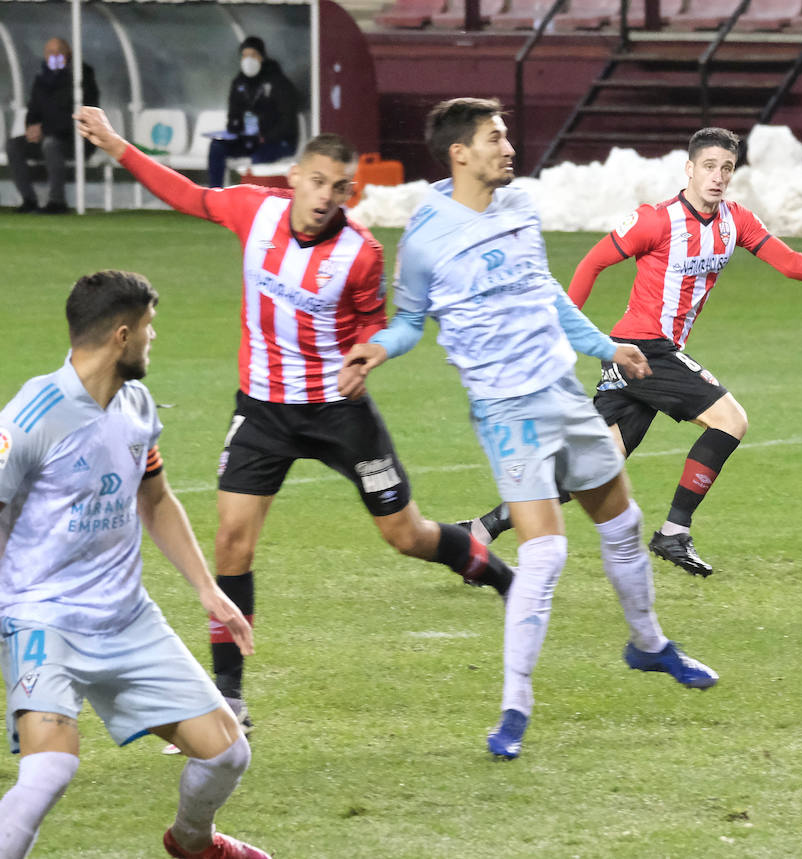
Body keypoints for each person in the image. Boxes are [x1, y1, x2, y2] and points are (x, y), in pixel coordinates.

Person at [74, 107, 512, 742]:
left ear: (349, 194)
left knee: (407, 534)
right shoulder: (254, 212)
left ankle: (497, 574)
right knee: (231, 542)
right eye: (317, 183)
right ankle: (230, 690)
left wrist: (367, 353)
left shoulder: (360, 252)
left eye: (340, 189)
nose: (326, 199)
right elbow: (187, 194)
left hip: (338, 412)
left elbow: (372, 320)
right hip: (264, 411)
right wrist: (117, 145)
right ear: (295, 178)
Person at [340, 97, 718, 760]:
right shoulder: (425, 235)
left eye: (506, 135)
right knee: (545, 552)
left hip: (563, 394)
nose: (508, 147)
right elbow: (409, 320)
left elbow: (546, 293)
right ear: (461, 153)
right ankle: (515, 706)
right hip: (506, 413)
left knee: (623, 526)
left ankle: (649, 644)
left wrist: (606, 346)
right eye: (495, 137)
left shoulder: (520, 208)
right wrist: (380, 347)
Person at [463, 126, 802, 578]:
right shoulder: (655, 220)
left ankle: (481, 528)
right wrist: (563, 325)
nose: (718, 177)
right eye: (709, 166)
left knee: (589, 470)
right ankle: (675, 530)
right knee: (731, 421)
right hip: (644, 349)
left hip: (641, 355)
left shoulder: (736, 221)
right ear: (689, 169)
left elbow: (788, 263)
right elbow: (593, 262)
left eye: (726, 168)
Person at [0, 270, 270, 859]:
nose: (155, 339)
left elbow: (155, 497)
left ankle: (194, 842)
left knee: (227, 752)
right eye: (150, 327)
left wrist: (207, 588)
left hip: (126, 620)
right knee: (48, 774)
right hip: (43, 620)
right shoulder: (30, 417)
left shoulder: (136, 403)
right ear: (122, 335)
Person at [5, 37, 98, 214]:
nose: (53, 57)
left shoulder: (81, 77)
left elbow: (77, 115)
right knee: (14, 145)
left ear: (67, 54)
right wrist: (32, 127)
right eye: (49, 53)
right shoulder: (42, 80)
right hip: (48, 136)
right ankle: (28, 200)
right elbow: (33, 110)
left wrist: (45, 129)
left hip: (76, 140)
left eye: (58, 53)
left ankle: (57, 202)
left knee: (51, 145)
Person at [207, 37, 299, 189]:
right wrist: (234, 128)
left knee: (259, 157)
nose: (248, 60)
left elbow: (288, 123)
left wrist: (266, 136)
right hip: (249, 140)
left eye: (253, 55)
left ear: (262, 57)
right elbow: (233, 115)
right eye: (245, 55)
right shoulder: (239, 83)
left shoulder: (279, 83)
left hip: (277, 141)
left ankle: (255, 198)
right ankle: (213, 194)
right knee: (217, 147)